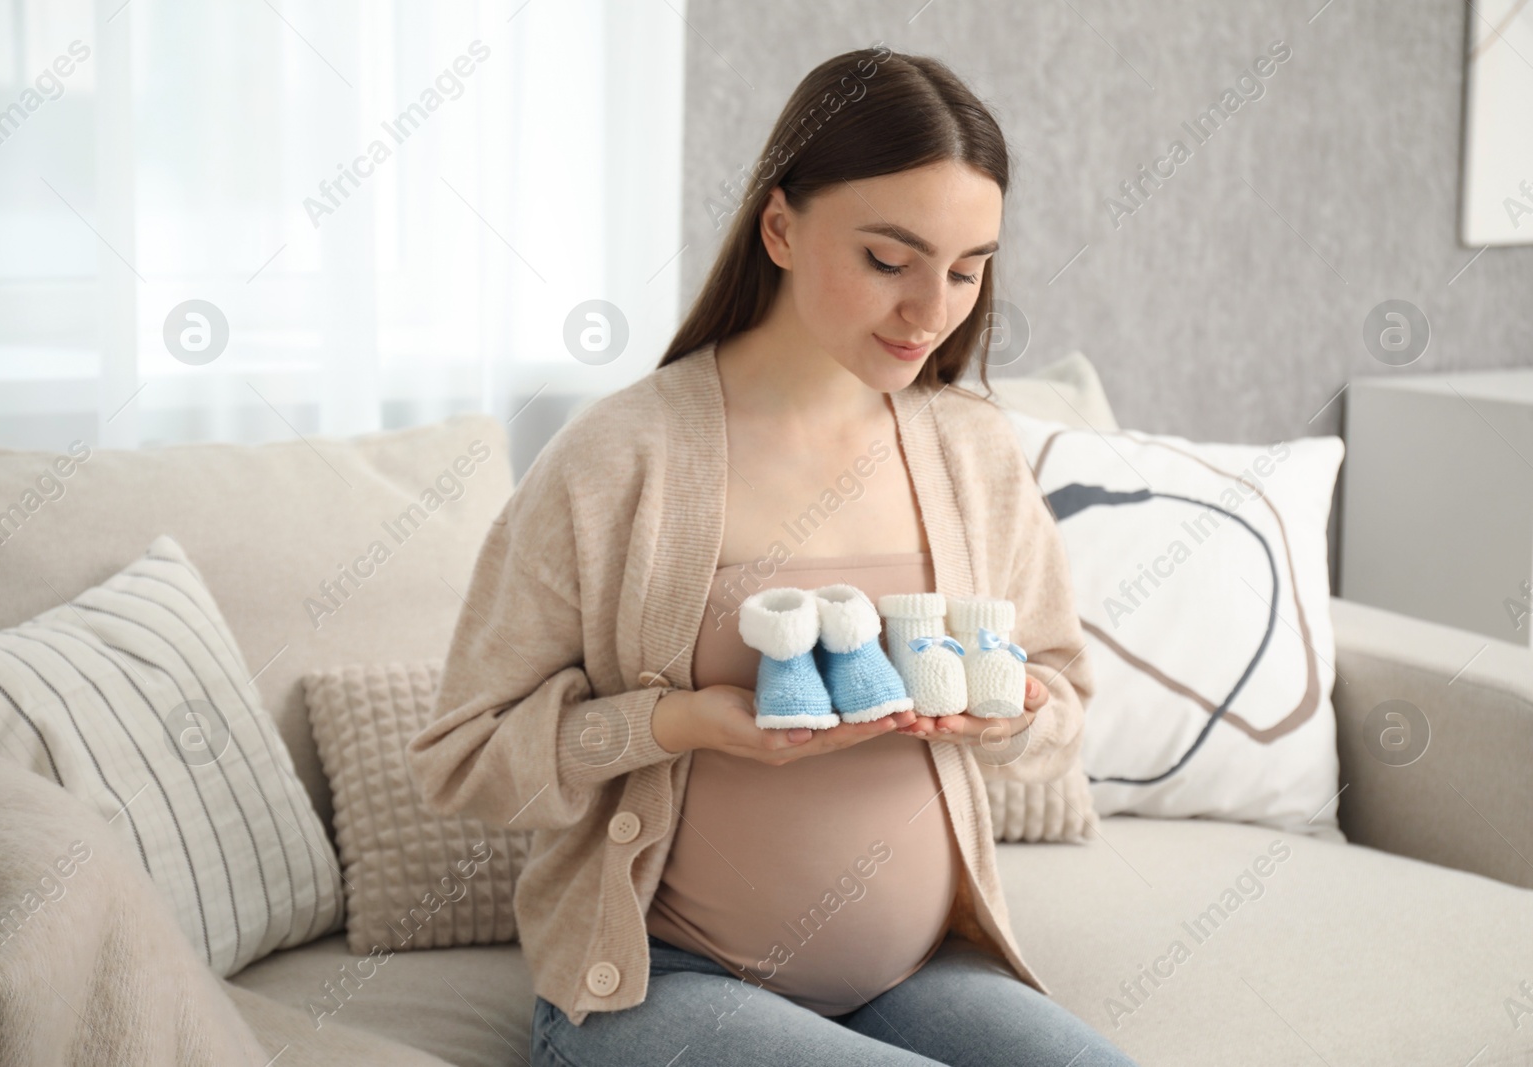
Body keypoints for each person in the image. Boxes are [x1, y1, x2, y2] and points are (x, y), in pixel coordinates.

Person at [407, 43, 1139, 1067]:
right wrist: (674, 723)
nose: (931, 311)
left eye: (968, 270)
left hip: (918, 974)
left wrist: (1006, 706)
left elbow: (1058, 702)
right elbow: (464, 760)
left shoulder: (969, 447)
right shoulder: (620, 456)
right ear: (781, 226)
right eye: (889, 260)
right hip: (663, 984)